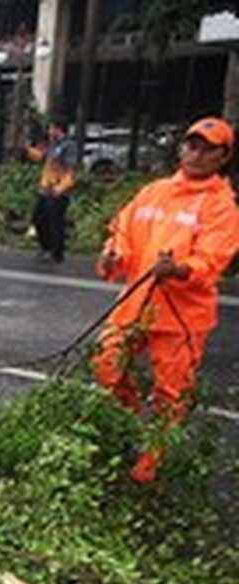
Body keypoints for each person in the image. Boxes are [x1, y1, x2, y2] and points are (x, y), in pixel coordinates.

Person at [93, 117, 239, 484]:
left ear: (223, 157)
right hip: (135, 304)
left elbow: (213, 259)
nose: (197, 154)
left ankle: (150, 463)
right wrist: (112, 254)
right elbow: (121, 231)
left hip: (181, 317)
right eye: (192, 145)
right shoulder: (153, 192)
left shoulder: (222, 207)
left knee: (171, 393)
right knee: (106, 362)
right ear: (181, 148)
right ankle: (128, 419)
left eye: (208, 149)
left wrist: (180, 270)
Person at [26, 119, 77, 263]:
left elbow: (71, 171)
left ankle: (56, 253)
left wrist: (61, 188)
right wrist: (28, 149)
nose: (49, 132)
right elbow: (42, 158)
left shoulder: (68, 146)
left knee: (55, 222)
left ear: (58, 129)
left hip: (58, 190)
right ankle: (46, 247)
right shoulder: (53, 145)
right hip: (45, 189)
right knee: (38, 218)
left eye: (51, 129)